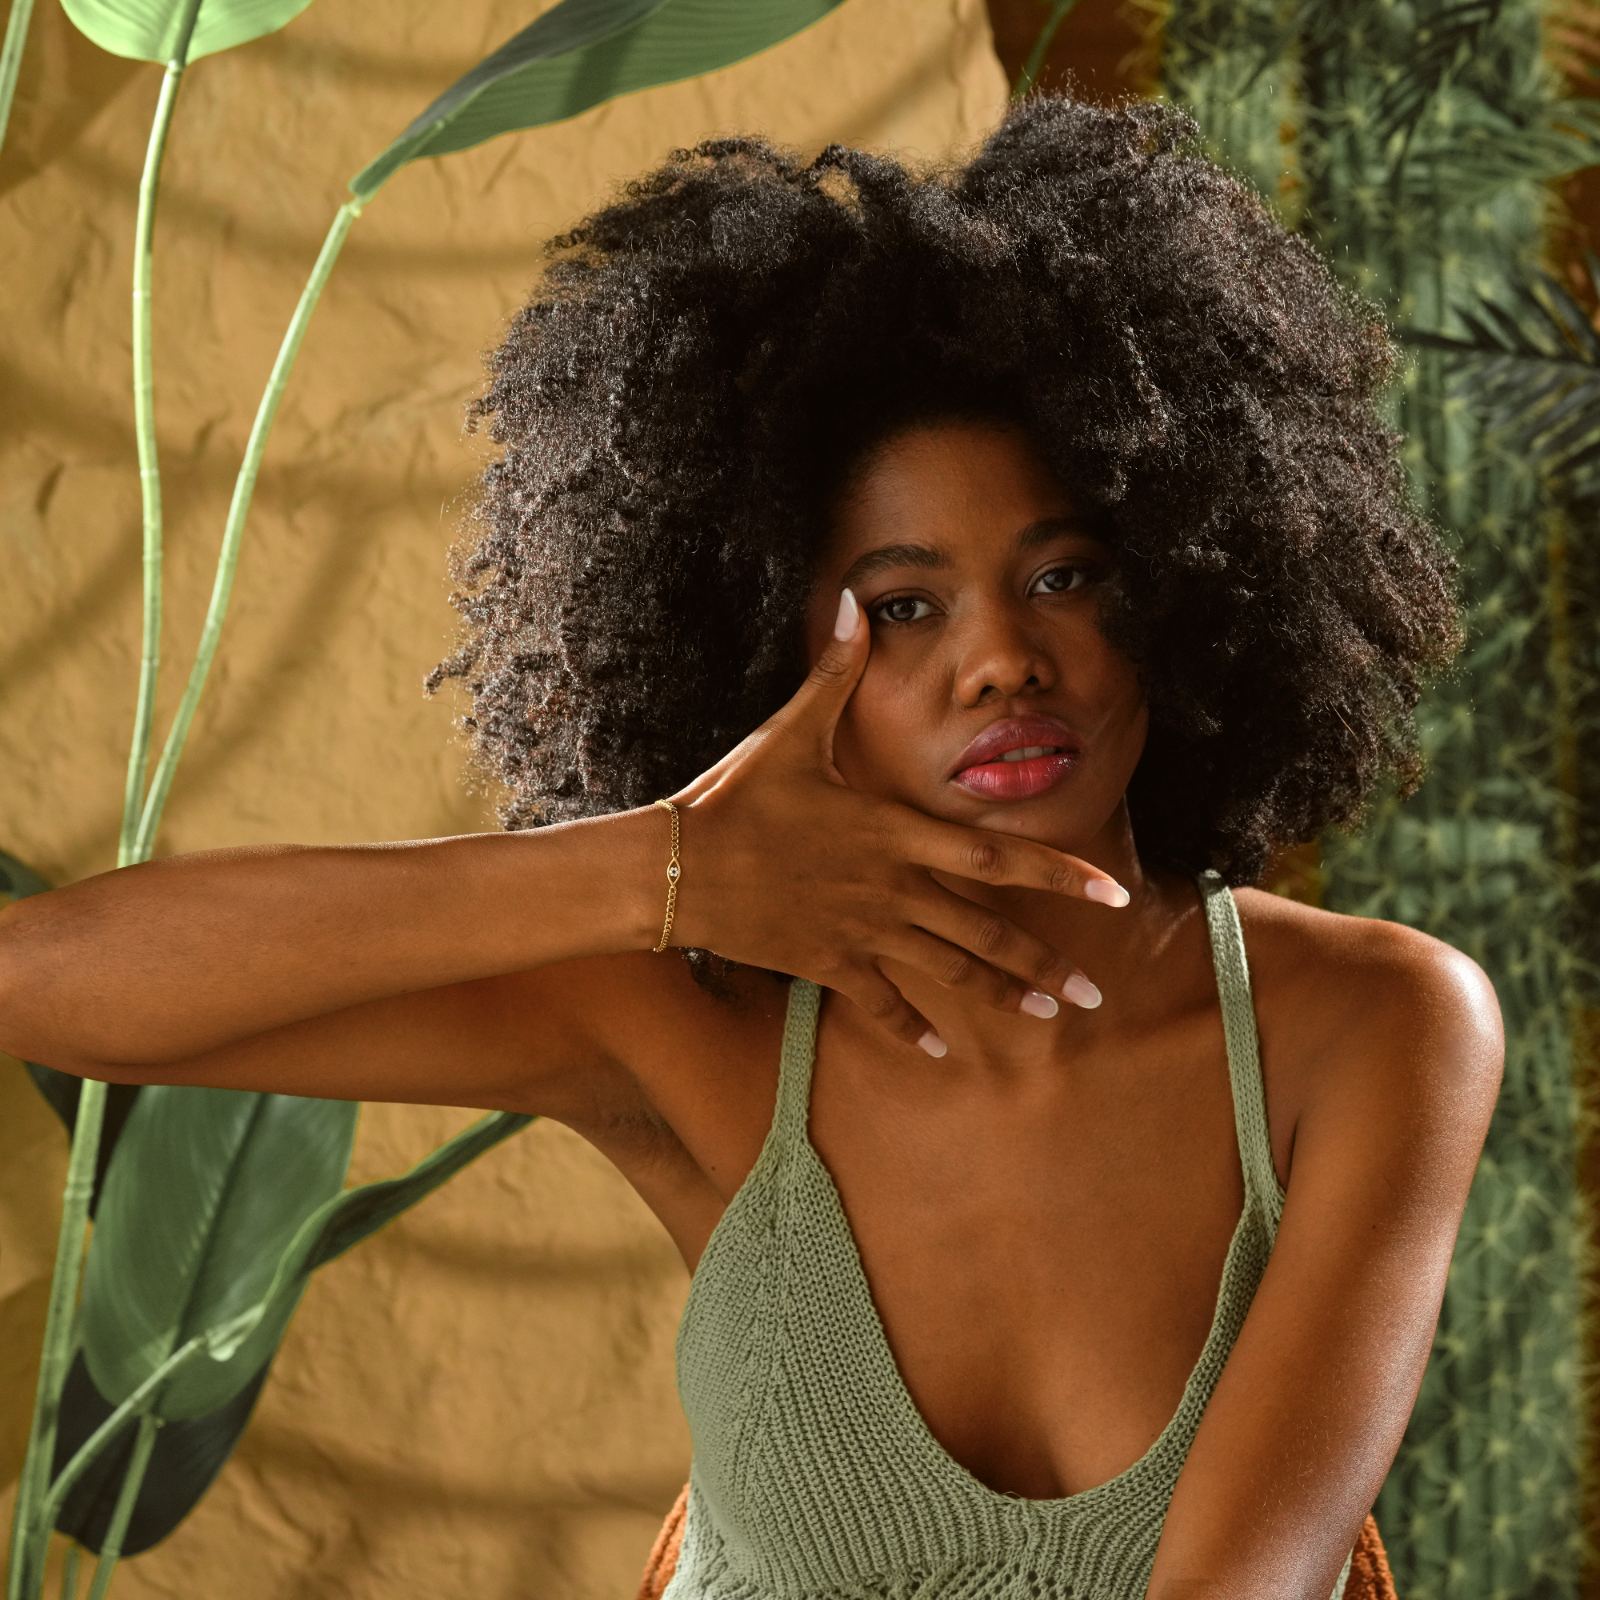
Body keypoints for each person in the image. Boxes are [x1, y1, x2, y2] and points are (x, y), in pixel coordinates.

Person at [1, 89, 1503, 1600]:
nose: (1001, 661)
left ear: (1179, 583)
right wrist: (665, 866)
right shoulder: (695, 1041)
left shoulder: (1371, 1028)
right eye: (903, 606)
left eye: (1065, 576)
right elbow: (43, 984)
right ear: (769, 656)